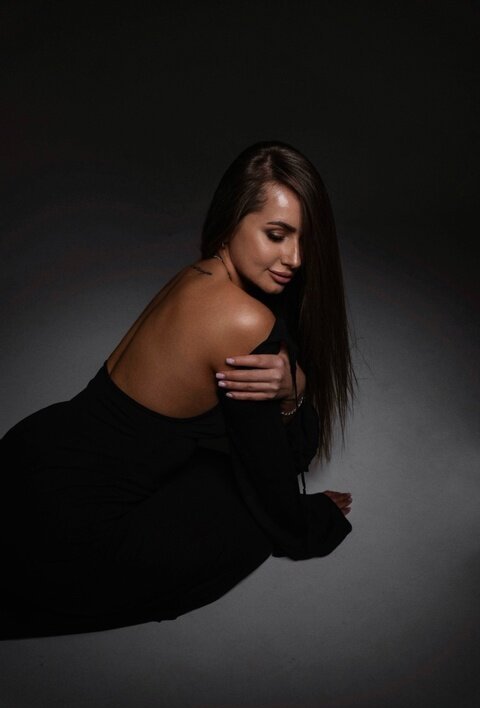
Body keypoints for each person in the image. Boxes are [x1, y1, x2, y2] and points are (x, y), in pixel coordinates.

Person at [0, 140, 355, 639]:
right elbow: (274, 475)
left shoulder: (197, 276)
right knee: (243, 521)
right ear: (232, 218)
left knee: (213, 478)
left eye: (305, 239)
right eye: (276, 235)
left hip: (27, 461)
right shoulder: (242, 319)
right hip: (63, 528)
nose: (295, 258)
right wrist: (310, 512)